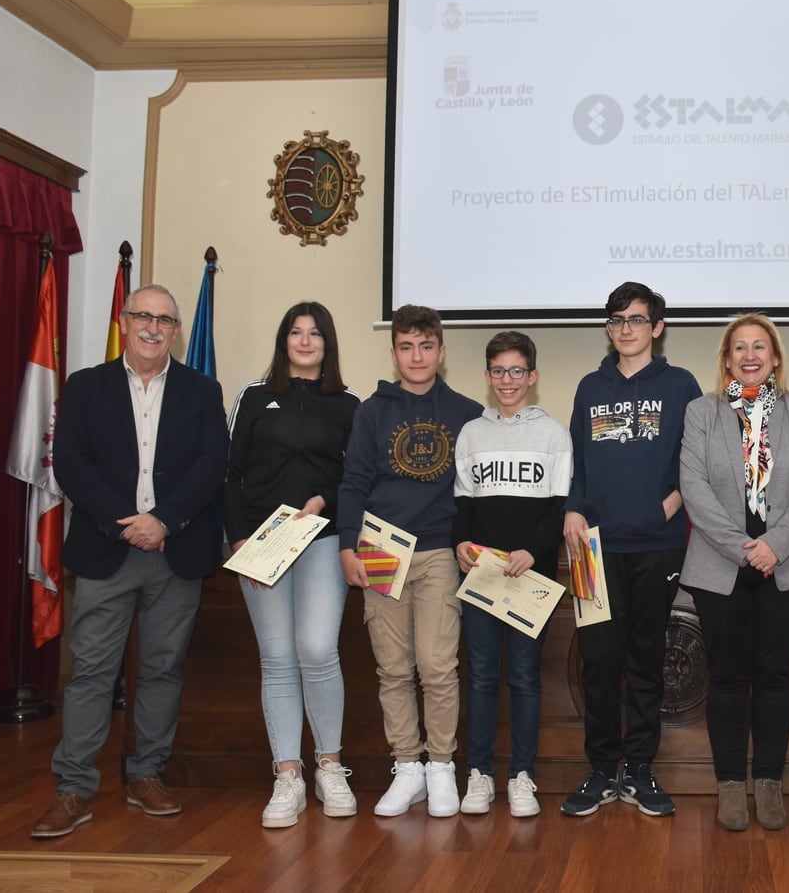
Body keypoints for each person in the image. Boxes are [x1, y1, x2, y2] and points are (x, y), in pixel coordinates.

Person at [32, 285, 227, 839]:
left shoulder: (201, 390)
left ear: (176, 330)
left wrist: (163, 521)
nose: (152, 326)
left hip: (175, 551)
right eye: (143, 315)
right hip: (106, 549)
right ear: (124, 320)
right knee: (92, 673)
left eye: (165, 319)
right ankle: (73, 789)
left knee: (162, 671)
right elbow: (70, 463)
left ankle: (146, 775)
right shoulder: (86, 387)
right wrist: (127, 521)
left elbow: (211, 465)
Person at [560, 282, 702, 818]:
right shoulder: (589, 386)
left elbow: (697, 462)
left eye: (636, 320)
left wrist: (667, 507)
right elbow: (577, 458)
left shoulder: (681, 385)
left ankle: (640, 770)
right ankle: (601, 771)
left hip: (657, 546)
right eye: (617, 320)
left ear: (657, 328)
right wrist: (573, 507)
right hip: (591, 551)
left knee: (645, 660)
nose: (626, 329)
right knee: (597, 662)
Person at [679, 314, 789, 831]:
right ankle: (729, 787)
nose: (749, 354)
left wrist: (775, 546)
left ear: (775, 357)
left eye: (759, 346)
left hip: (783, 567)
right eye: (738, 347)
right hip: (720, 565)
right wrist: (746, 549)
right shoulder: (702, 412)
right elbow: (693, 486)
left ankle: (767, 782)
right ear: (725, 358)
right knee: (725, 678)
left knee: (773, 677)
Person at [336, 305, 483, 819]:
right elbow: (354, 481)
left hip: (441, 549)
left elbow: (477, 491)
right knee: (392, 669)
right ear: (394, 352)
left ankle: (441, 767)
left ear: (441, 353)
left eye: (426, 346)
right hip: (379, 550)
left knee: (437, 666)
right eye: (406, 346)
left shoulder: (467, 413)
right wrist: (348, 546)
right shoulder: (371, 412)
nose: (416, 356)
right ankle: (408, 768)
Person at [222, 302, 361, 828]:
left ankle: (330, 765)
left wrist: (324, 500)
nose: (305, 341)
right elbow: (230, 474)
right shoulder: (254, 398)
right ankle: (287, 775)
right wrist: (239, 539)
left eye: (315, 333)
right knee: (277, 657)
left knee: (317, 649)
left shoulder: (349, 404)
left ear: (328, 343)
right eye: (296, 333)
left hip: (322, 541)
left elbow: (357, 476)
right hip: (261, 546)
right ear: (284, 341)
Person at [452, 331, 572, 819]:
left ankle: (522, 775)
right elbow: (462, 503)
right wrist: (461, 540)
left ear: (533, 376)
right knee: (480, 676)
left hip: (531, 575)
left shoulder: (553, 434)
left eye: (516, 371)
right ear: (487, 377)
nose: (507, 380)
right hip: (481, 575)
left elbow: (560, 507)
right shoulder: (471, 433)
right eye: (498, 371)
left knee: (523, 678)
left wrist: (532, 550)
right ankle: (479, 774)